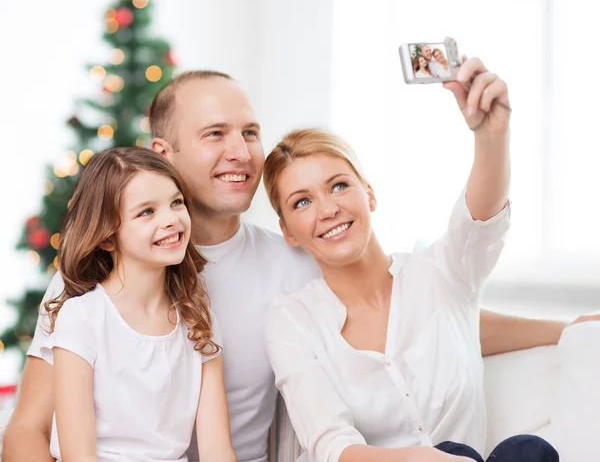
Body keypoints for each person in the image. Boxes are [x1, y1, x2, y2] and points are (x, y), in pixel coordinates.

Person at [4, 69, 592, 462]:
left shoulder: (294, 262)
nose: (240, 151)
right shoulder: (98, 284)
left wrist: (565, 331)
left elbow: (420, 315)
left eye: (250, 132)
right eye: (214, 134)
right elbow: (29, 429)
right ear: (165, 153)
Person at [262, 58, 558, 461]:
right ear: (289, 231)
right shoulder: (292, 321)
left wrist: (492, 136)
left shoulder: (440, 275)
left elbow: (479, 224)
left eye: (338, 186)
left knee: (527, 452)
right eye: (302, 202)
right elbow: (332, 446)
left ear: (369, 194)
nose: (327, 209)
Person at [39, 146, 236, 462]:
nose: (171, 219)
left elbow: (217, 451)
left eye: (176, 203)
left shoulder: (198, 319)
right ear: (106, 237)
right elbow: (80, 457)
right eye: (147, 211)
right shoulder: (82, 318)